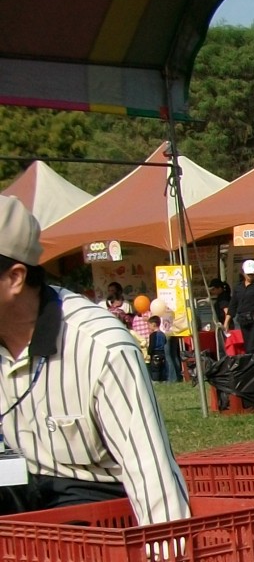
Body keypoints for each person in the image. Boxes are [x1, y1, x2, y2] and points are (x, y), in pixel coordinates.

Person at [0, 198, 188, 523]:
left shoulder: (101, 345)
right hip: (20, 492)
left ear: (15, 278)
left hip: (95, 509)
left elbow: (150, 472)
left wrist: (168, 550)